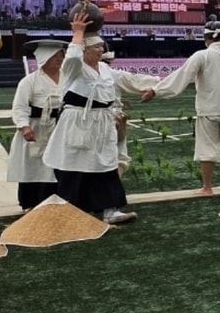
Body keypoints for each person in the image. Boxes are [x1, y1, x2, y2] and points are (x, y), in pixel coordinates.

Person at [42, 11, 158, 224]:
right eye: (96, 46)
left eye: (101, 46)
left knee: (105, 164)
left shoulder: (105, 69)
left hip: (103, 121)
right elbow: (72, 57)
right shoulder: (73, 69)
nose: (101, 49)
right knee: (75, 165)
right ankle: (73, 211)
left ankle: (110, 210)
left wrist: (158, 85)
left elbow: (131, 79)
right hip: (78, 121)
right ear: (85, 50)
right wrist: (78, 33)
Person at [145, 20, 220, 195]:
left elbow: (181, 76)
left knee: (207, 148)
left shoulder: (202, 56)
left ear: (206, 38)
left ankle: (207, 187)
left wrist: (156, 91)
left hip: (209, 108)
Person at [7, 40, 65, 210]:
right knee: (33, 166)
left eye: (61, 56)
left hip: (59, 126)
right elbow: (19, 106)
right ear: (44, 57)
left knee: (57, 165)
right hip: (36, 127)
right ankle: (30, 203)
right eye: (55, 56)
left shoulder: (67, 78)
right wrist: (24, 126)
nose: (59, 59)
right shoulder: (29, 81)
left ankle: (56, 201)